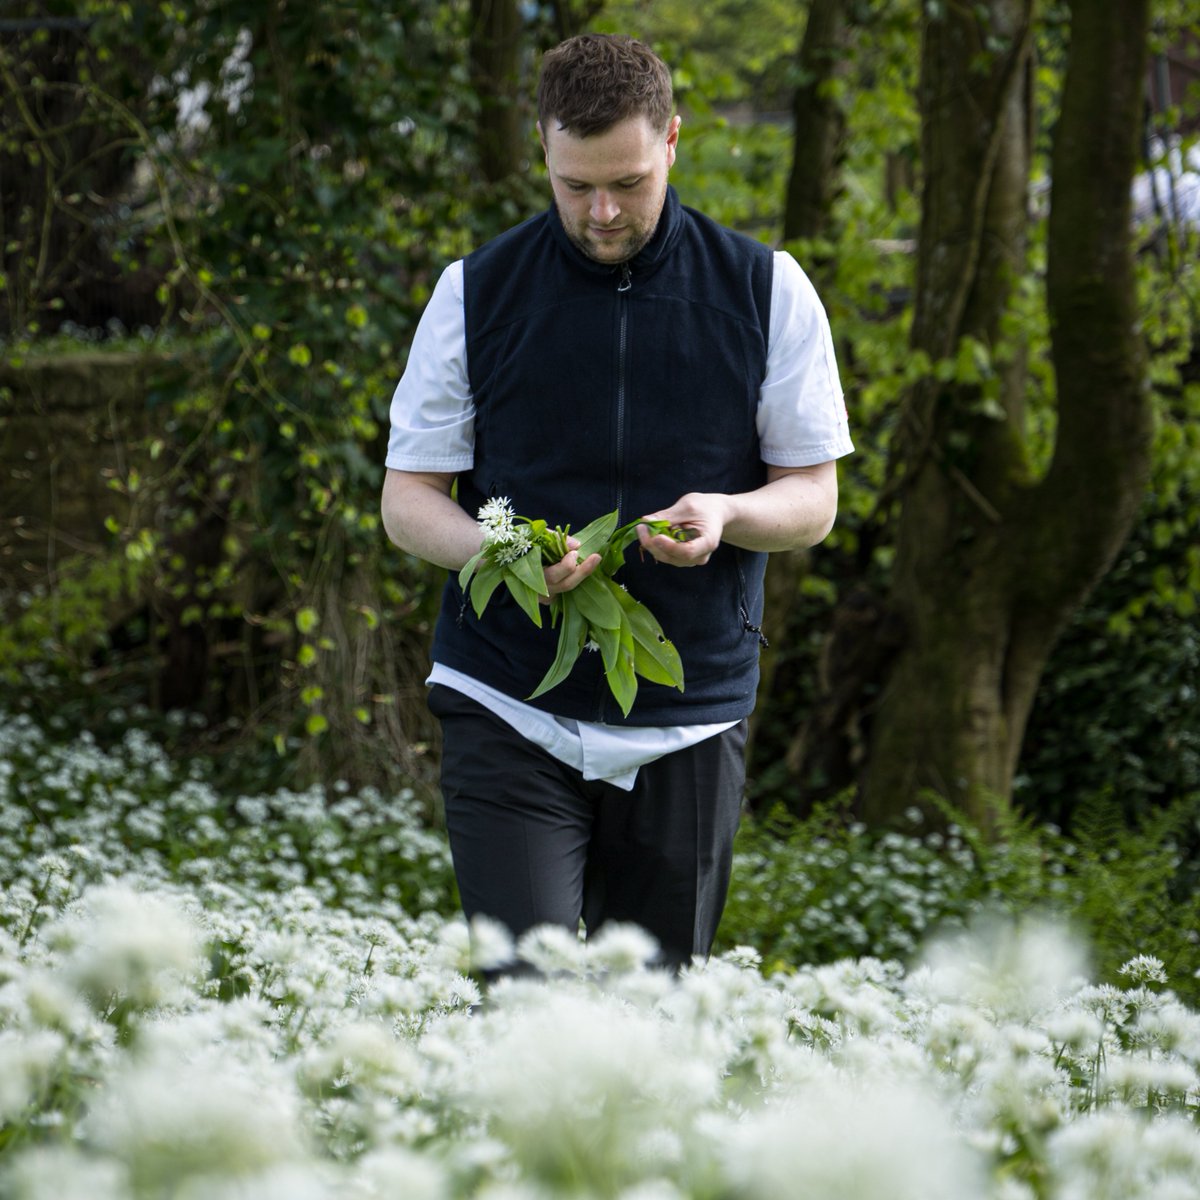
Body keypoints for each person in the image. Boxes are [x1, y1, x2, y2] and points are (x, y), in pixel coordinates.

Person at [381, 33, 852, 971]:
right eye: (575, 185)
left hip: (691, 709)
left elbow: (813, 499)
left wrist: (728, 515)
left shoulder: (769, 291)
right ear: (542, 154)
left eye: (628, 183)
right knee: (525, 1008)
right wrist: (499, 554)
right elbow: (408, 500)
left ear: (673, 140)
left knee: (660, 1028)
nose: (601, 212)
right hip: (506, 699)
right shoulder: (473, 294)